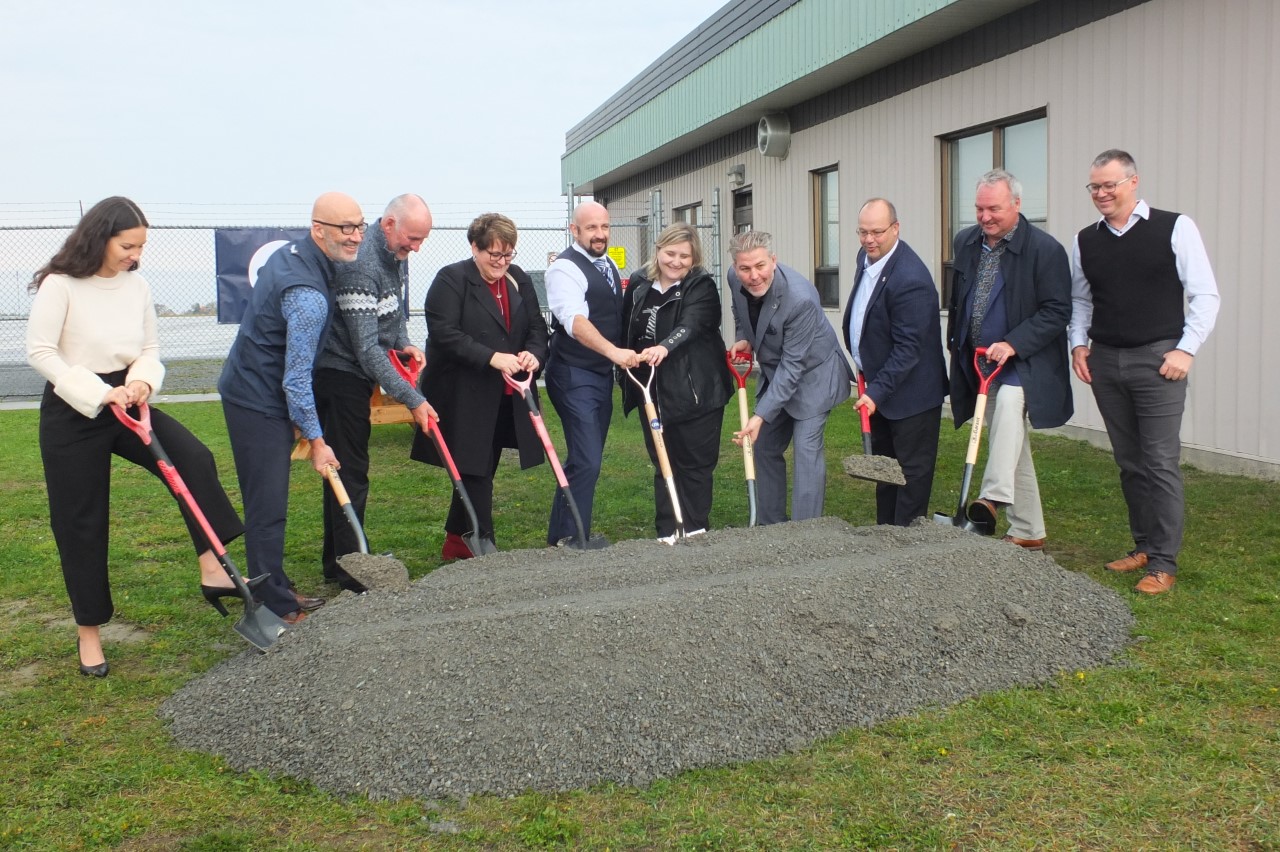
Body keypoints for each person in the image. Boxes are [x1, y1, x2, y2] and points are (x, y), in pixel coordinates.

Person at [26, 196, 245, 677]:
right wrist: (97, 393)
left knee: (193, 458)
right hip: (73, 409)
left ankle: (213, 568)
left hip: (130, 398)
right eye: (128, 245)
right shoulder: (60, 285)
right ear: (100, 238)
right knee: (81, 521)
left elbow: (149, 347)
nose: (135, 255)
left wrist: (143, 380)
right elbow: (41, 352)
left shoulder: (137, 286)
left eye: (140, 246)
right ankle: (90, 635)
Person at [1069, 149, 1220, 595]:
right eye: (1094, 186)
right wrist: (1079, 343)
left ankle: (1163, 562)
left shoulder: (1175, 227)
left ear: (1133, 182)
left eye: (1109, 184)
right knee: (1129, 462)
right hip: (1106, 360)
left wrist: (1185, 351)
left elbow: (1205, 295)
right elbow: (1080, 299)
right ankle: (1142, 546)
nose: (1101, 193)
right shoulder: (1085, 240)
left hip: (1160, 361)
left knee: (1159, 461)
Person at [218, 191, 364, 624]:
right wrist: (318, 441)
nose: (355, 236)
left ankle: (275, 585)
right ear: (318, 229)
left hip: (260, 386)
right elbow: (296, 378)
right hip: (254, 396)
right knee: (268, 506)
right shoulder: (307, 294)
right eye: (345, 228)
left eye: (360, 225)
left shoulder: (295, 255)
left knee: (270, 501)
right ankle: (271, 604)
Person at [315, 194, 436, 590]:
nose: (416, 247)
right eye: (412, 238)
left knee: (347, 469)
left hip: (356, 372)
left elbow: (394, 316)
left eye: (421, 240)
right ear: (388, 225)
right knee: (350, 471)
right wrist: (413, 398)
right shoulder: (361, 266)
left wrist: (405, 343)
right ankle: (354, 569)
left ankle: (340, 561)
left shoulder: (393, 257)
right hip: (339, 373)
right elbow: (367, 348)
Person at [410, 213, 549, 558]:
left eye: (508, 254)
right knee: (474, 466)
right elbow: (445, 334)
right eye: (493, 255)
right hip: (463, 391)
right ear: (475, 247)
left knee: (484, 464)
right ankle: (482, 540)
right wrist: (492, 357)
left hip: (506, 393)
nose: (501, 263)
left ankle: (457, 540)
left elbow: (536, 326)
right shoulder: (452, 279)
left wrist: (533, 354)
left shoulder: (517, 279)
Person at [947, 169, 1073, 551]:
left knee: (1006, 408)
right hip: (981, 362)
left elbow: (1056, 310)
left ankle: (992, 498)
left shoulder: (1044, 250)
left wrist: (1014, 343)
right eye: (979, 209)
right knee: (1010, 439)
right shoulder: (967, 242)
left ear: (1017, 205)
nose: (985, 217)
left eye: (994, 209)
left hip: (1026, 362)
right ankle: (1028, 531)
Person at [727, 230, 853, 525]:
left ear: (773, 260)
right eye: (745, 268)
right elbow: (739, 309)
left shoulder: (800, 299)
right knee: (764, 446)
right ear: (735, 267)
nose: (753, 275)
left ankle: (804, 534)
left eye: (760, 266)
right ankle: (771, 527)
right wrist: (744, 336)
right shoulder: (735, 280)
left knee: (806, 452)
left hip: (813, 376)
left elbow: (793, 367)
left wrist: (759, 416)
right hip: (776, 371)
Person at [619, 222, 734, 542]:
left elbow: (694, 324)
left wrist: (663, 347)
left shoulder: (701, 286)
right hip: (651, 390)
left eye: (685, 256)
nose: (676, 261)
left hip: (696, 392)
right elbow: (626, 326)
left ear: (693, 257)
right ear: (658, 251)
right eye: (670, 253)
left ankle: (695, 531)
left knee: (694, 468)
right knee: (663, 463)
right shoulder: (640, 283)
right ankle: (668, 533)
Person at [841, 199, 948, 526]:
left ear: (896, 229)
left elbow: (908, 349)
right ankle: (884, 536)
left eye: (877, 232)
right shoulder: (867, 257)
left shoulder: (910, 279)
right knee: (885, 471)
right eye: (862, 232)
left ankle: (906, 546)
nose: (869, 239)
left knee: (911, 477)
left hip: (912, 397)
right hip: (882, 390)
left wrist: (875, 393)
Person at [543, 201, 637, 547]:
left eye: (605, 227)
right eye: (591, 228)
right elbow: (575, 322)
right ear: (575, 230)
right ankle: (572, 537)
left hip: (598, 376)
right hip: (572, 374)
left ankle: (562, 537)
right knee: (586, 461)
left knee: (584, 460)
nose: (600, 234)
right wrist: (613, 353)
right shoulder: (564, 270)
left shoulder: (608, 263)